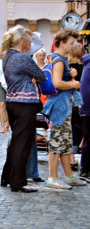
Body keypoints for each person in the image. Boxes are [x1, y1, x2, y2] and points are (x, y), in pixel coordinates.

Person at [0, 25, 46, 193]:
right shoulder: (22, 58)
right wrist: (34, 77)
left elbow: (36, 45)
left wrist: (31, 34)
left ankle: (7, 176)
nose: (29, 42)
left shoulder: (8, 56)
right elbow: (42, 76)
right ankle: (18, 182)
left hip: (13, 101)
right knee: (23, 143)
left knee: (16, 142)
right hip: (25, 103)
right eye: (27, 40)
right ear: (20, 40)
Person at [42, 29, 87, 189]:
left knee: (65, 142)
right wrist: (74, 84)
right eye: (70, 43)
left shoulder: (61, 59)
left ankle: (69, 175)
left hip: (64, 105)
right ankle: (53, 177)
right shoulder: (59, 60)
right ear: (61, 43)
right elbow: (57, 83)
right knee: (57, 142)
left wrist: (73, 75)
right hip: (60, 106)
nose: (72, 46)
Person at [68, 44, 85, 171]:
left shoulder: (69, 68)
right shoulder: (86, 67)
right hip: (84, 100)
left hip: (71, 100)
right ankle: (82, 144)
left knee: (72, 128)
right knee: (83, 126)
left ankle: (72, 159)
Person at [79, 52, 90, 181]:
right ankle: (85, 169)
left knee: (87, 139)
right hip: (88, 108)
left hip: (86, 107)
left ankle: (85, 169)